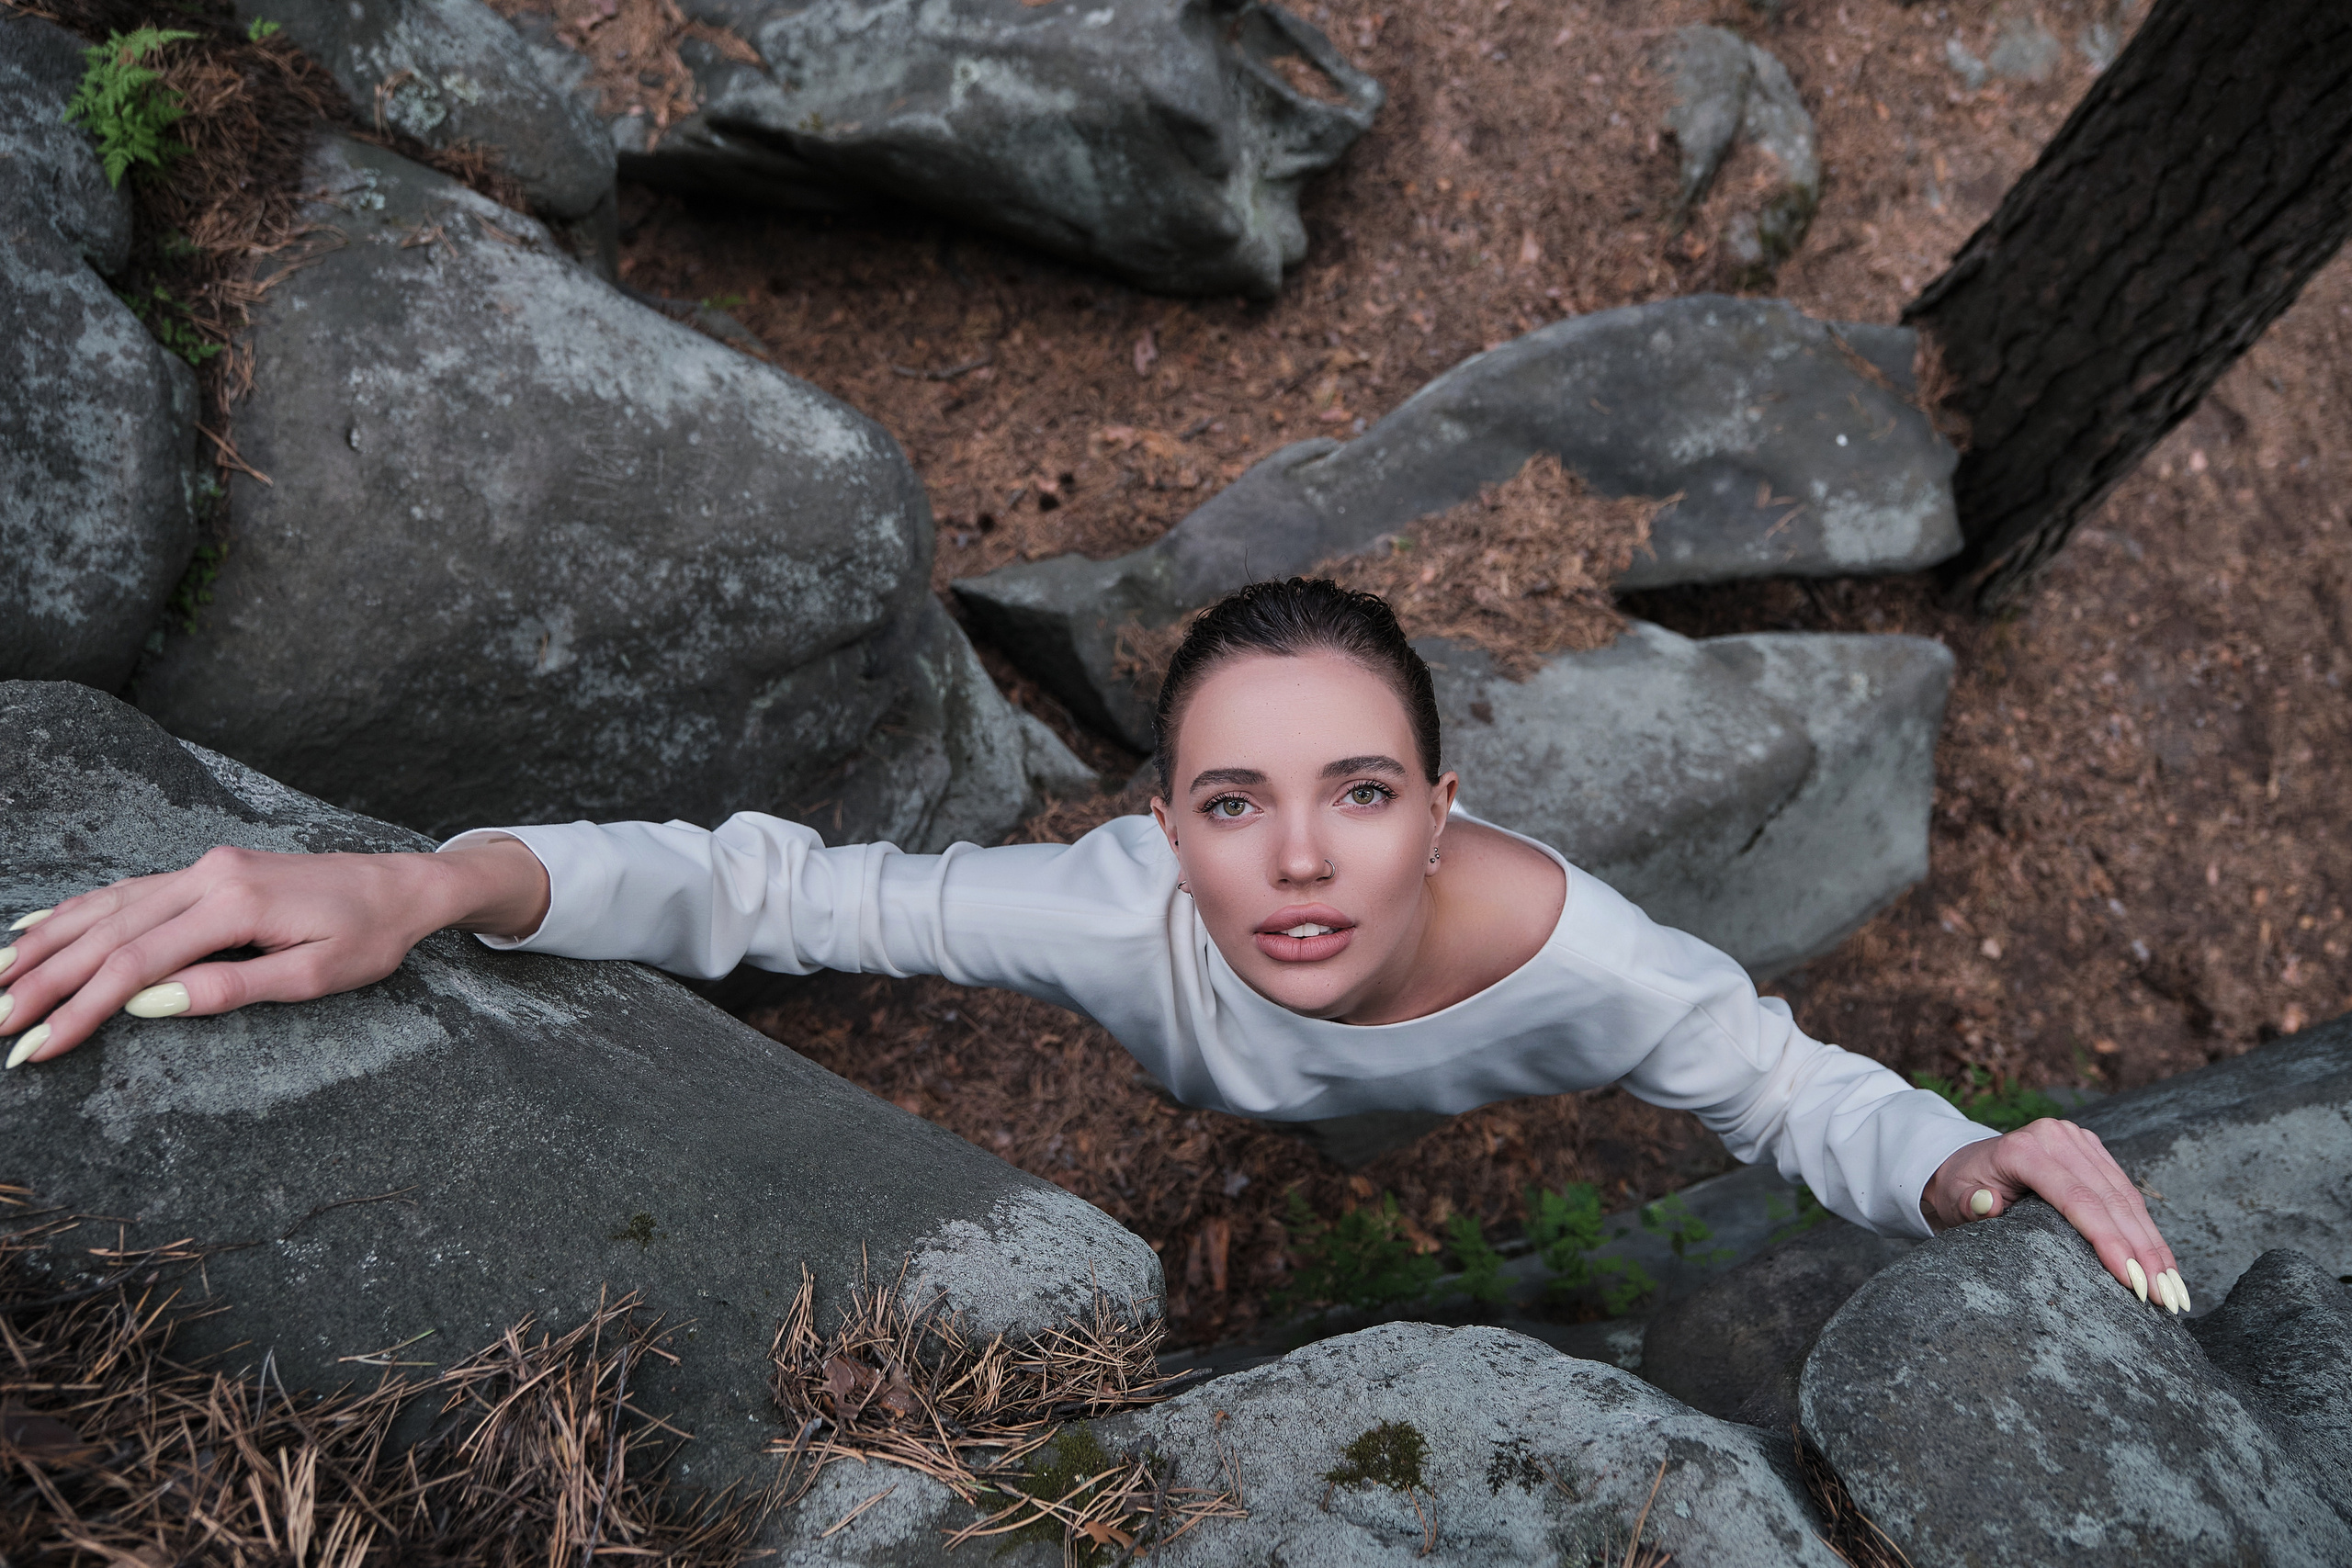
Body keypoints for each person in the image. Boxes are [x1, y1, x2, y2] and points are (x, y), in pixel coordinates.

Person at [0, 579, 2190, 1313]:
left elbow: (1799, 1086)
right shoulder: (1095, 911)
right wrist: (423, 882)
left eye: (1359, 791)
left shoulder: (1602, 968)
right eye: (1231, 799)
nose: (1297, 862)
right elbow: (767, 884)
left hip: (1413, 1102)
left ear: (1443, 809)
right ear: (1160, 825)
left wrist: (1966, 1159)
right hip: (1181, 1077)